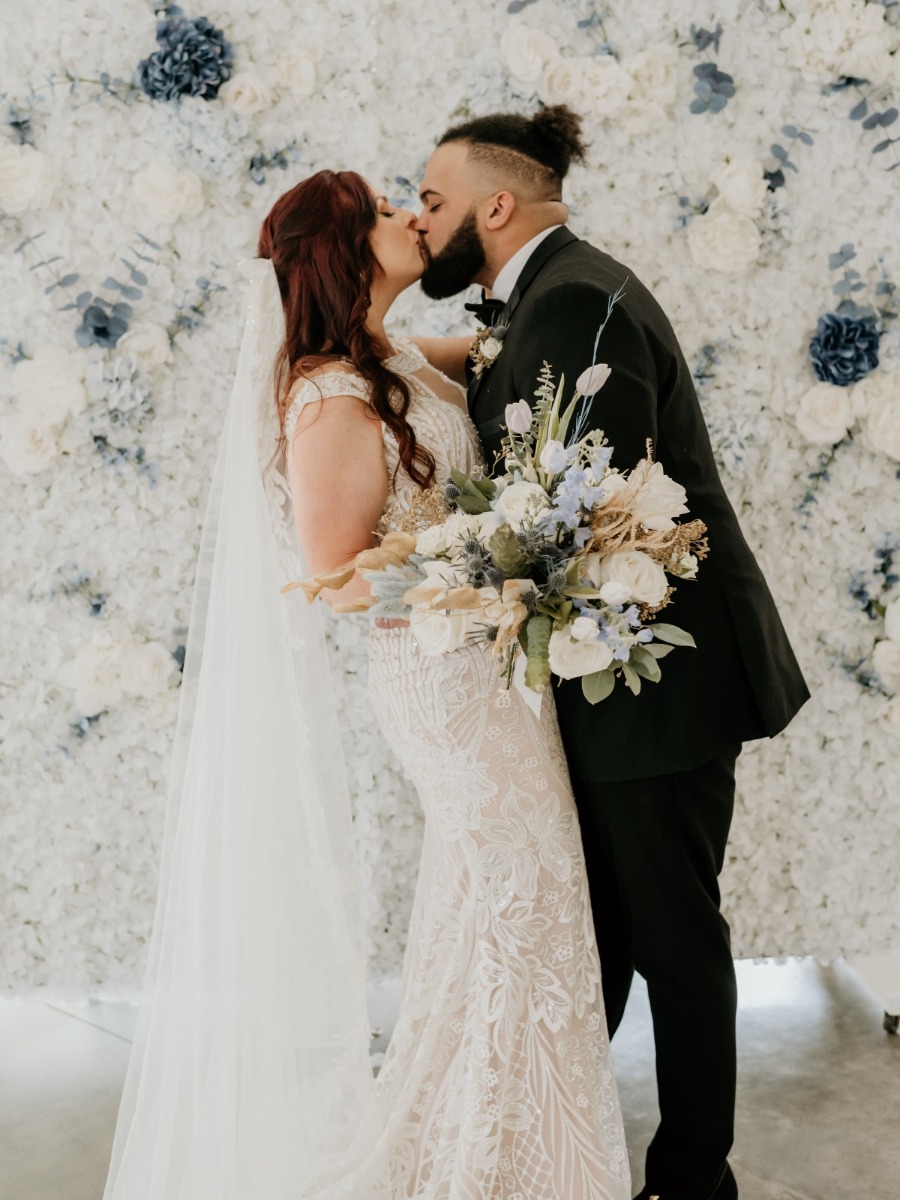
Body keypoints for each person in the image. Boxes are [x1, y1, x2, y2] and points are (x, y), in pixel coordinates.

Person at [102, 167, 631, 1200]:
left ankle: (490, 1148)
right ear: (347, 248)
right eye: (388, 212)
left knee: (499, 908)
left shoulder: (390, 356)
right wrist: (481, 553)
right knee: (525, 898)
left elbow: (495, 356)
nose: (409, 217)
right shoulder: (330, 394)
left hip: (492, 675)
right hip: (441, 687)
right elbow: (336, 582)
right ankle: (507, 1164)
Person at [416, 105, 811, 1200]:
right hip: (612, 673)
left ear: (498, 206)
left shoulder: (575, 296)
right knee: (611, 926)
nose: (422, 218)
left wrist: (458, 580)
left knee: (671, 930)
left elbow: (600, 513)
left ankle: (692, 1179)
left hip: (658, 678)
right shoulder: (547, 296)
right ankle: (556, 1144)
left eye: (435, 200)